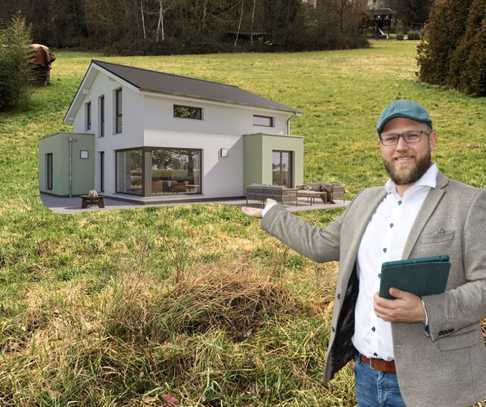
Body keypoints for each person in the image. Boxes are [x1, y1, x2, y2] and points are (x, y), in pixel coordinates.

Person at [242, 100, 486, 407]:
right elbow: (320, 244)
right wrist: (271, 213)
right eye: (391, 138)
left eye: (412, 135)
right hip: (367, 376)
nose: (401, 147)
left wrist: (426, 309)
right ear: (380, 146)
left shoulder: (469, 203)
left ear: (432, 139)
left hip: (434, 384)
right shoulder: (366, 201)